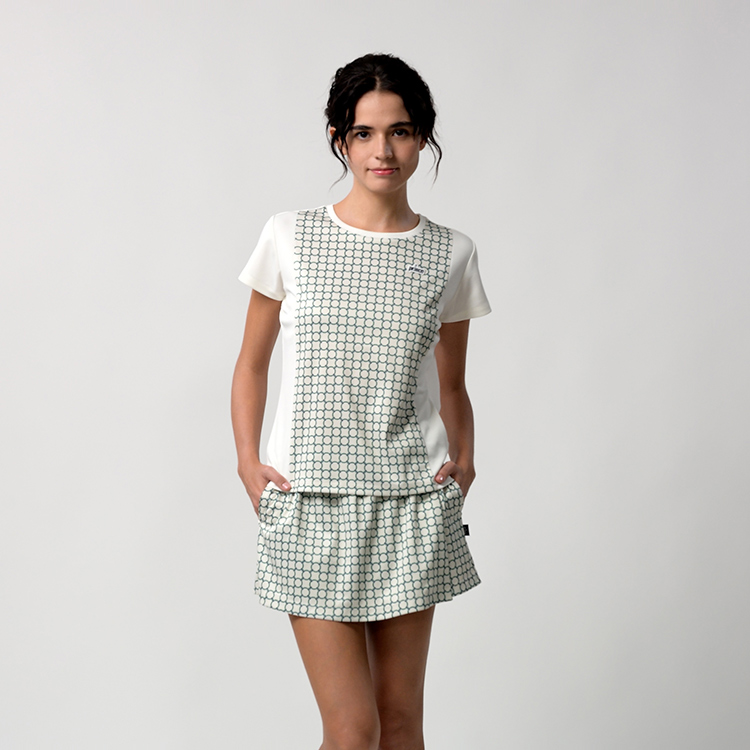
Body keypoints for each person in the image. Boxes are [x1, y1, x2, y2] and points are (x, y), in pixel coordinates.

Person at [231, 53, 491, 750]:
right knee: (352, 729)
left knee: (401, 724)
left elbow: (453, 383)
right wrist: (247, 462)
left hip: (410, 503)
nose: (384, 151)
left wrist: (465, 463)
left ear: (422, 137)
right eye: (365, 133)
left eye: (400, 131)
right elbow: (251, 364)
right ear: (339, 138)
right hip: (310, 500)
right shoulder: (289, 236)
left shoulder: (451, 253)